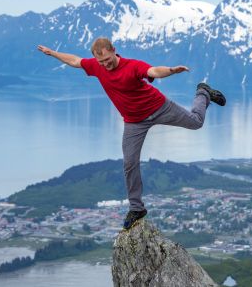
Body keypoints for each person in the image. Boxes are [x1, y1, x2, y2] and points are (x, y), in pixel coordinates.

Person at [38, 37, 226, 230]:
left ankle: (203, 92)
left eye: (107, 59)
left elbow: (152, 71)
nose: (105, 64)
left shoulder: (132, 66)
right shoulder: (97, 66)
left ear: (114, 51)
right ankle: (136, 208)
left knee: (196, 122)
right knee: (129, 163)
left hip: (159, 107)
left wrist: (170, 71)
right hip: (134, 122)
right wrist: (53, 53)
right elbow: (75, 61)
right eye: (101, 62)